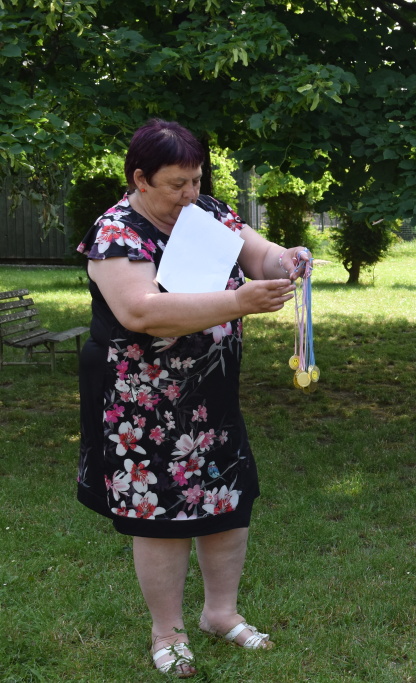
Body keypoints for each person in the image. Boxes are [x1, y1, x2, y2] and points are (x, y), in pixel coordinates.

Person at [76, 119, 311, 677]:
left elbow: (259, 256)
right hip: (144, 405)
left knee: (228, 504)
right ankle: (168, 631)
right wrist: (239, 302)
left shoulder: (207, 212)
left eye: (197, 180)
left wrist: (286, 259)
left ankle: (220, 615)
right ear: (141, 179)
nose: (190, 193)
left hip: (211, 394)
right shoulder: (116, 234)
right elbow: (141, 312)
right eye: (176, 183)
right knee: (160, 515)